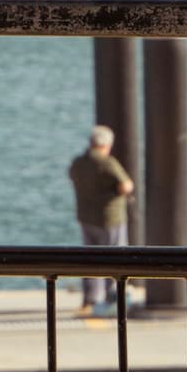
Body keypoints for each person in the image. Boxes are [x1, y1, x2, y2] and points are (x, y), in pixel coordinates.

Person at [69, 125, 134, 317]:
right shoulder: (107, 163)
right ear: (106, 144)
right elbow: (126, 185)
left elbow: (73, 177)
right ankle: (112, 299)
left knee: (89, 259)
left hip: (86, 216)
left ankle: (90, 299)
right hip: (110, 217)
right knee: (115, 258)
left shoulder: (78, 163)